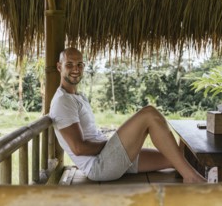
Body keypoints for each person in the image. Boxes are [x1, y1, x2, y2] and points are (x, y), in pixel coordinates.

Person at [49, 47, 206, 183]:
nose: (75, 69)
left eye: (79, 64)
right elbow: (79, 149)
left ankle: (206, 176)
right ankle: (192, 178)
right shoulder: (63, 101)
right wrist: (112, 144)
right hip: (100, 166)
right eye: (69, 64)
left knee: (174, 159)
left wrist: (114, 144)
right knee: (149, 114)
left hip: (107, 158)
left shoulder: (77, 97)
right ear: (59, 67)